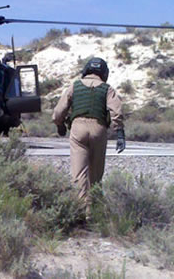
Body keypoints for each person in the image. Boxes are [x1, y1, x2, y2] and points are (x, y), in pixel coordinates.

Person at [52, 57, 125, 209]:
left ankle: (82, 211)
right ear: (104, 73)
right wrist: (120, 133)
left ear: (86, 70)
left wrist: (59, 124)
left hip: (78, 129)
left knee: (79, 175)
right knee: (96, 175)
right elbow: (116, 111)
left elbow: (59, 111)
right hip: (98, 129)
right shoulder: (107, 89)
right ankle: (95, 209)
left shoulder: (75, 86)